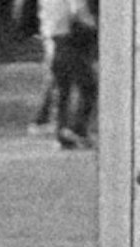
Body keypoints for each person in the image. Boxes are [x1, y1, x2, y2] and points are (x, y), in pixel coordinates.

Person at [44, 0, 100, 147]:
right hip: (71, 41)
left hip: (55, 39)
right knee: (89, 86)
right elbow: (78, 8)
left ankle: (61, 133)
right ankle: (78, 129)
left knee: (63, 90)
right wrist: (94, 24)